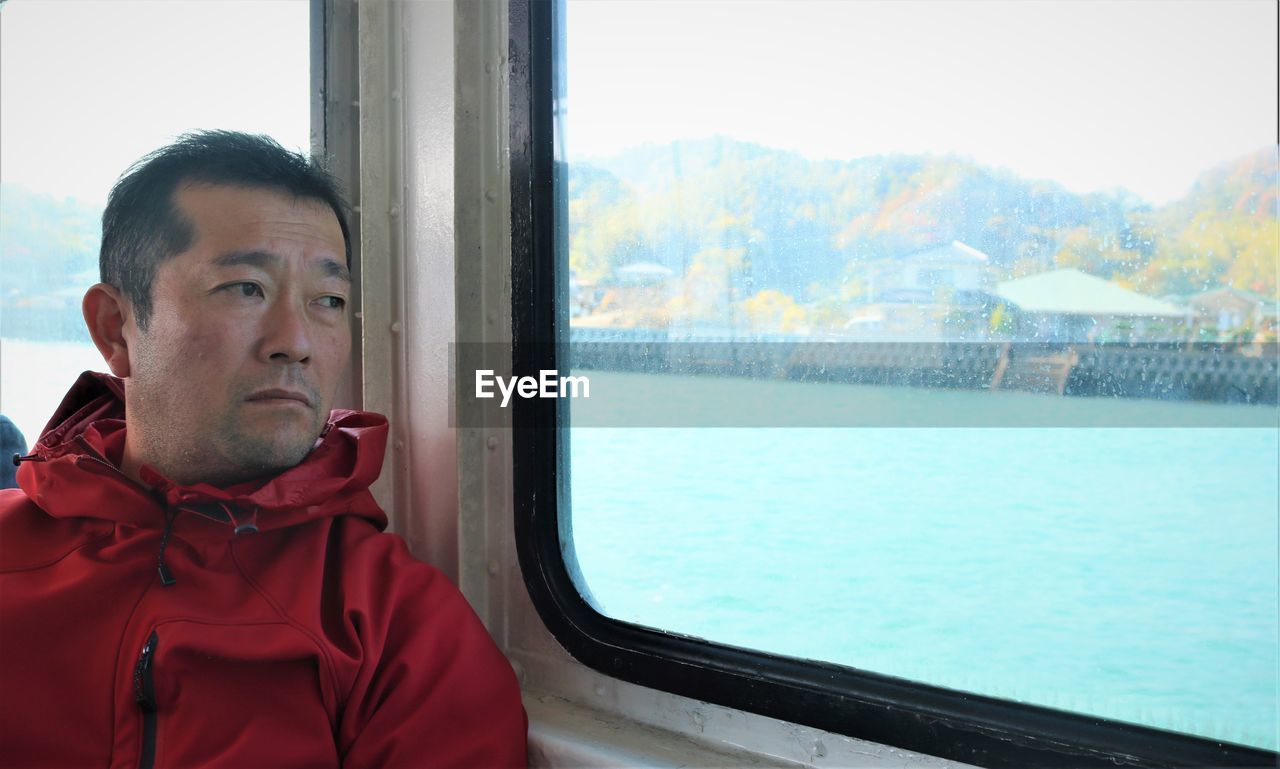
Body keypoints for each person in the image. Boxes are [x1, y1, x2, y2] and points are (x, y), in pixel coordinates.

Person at [0, 131, 527, 767]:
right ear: (117, 329)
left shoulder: (394, 626)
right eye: (246, 288)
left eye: (328, 301)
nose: (296, 341)